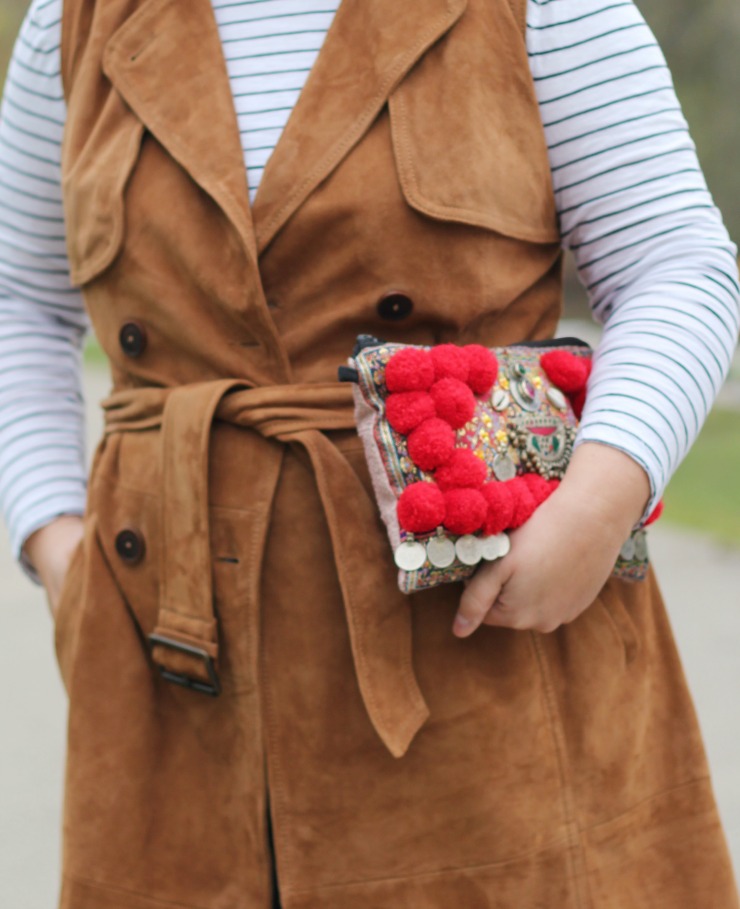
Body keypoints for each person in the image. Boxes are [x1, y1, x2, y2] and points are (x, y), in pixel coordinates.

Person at [0, 0, 738, 906]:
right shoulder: (74, 21)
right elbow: (18, 301)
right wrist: (56, 543)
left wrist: (599, 502)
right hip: (171, 670)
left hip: (486, 638)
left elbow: (677, 265)